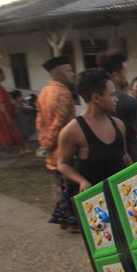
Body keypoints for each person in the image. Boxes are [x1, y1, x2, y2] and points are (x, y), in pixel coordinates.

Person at [57, 68, 131, 192]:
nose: (116, 99)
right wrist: (82, 181)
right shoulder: (72, 131)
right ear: (96, 98)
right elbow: (63, 163)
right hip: (96, 203)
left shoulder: (118, 124)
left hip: (122, 195)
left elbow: (124, 155)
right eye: (112, 95)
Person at [35, 55, 79, 233]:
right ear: (59, 73)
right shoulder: (62, 93)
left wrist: (43, 141)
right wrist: (49, 143)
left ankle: (63, 220)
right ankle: (73, 222)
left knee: (61, 185)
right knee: (71, 186)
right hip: (63, 149)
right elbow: (59, 123)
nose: (72, 74)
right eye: (68, 71)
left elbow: (39, 121)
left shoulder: (44, 92)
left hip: (52, 150)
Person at [95, 50, 137, 162]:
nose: (126, 76)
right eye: (125, 72)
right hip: (131, 158)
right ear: (116, 75)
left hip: (108, 160)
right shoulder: (128, 101)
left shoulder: (97, 100)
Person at [0, 66, 30, 155]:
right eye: (3, 74)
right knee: (11, 132)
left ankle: (13, 150)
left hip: (4, 113)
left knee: (8, 132)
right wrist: (7, 116)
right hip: (2, 115)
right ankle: (18, 150)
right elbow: (0, 103)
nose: (4, 76)